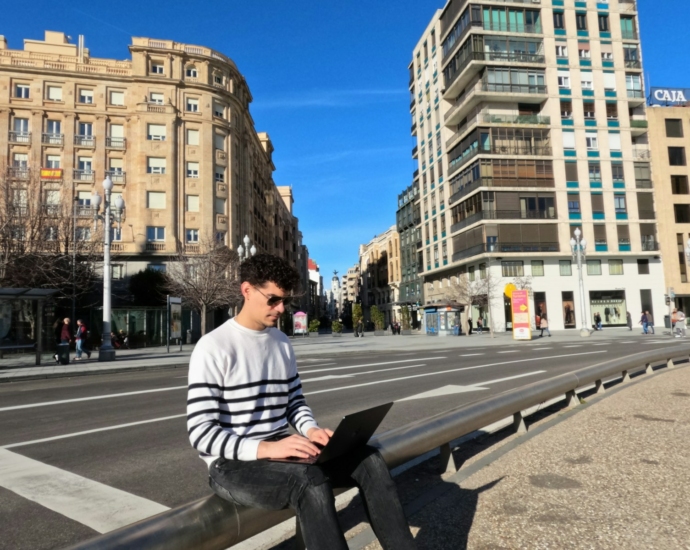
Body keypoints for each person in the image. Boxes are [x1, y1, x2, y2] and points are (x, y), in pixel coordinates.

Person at [187, 254, 415, 549]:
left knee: (369, 460)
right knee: (309, 481)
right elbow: (201, 433)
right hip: (232, 464)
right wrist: (267, 447)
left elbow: (294, 401)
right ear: (247, 290)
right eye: (273, 300)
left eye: (285, 301)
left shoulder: (281, 342)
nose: (281, 309)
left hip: (283, 450)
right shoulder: (213, 346)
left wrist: (310, 431)